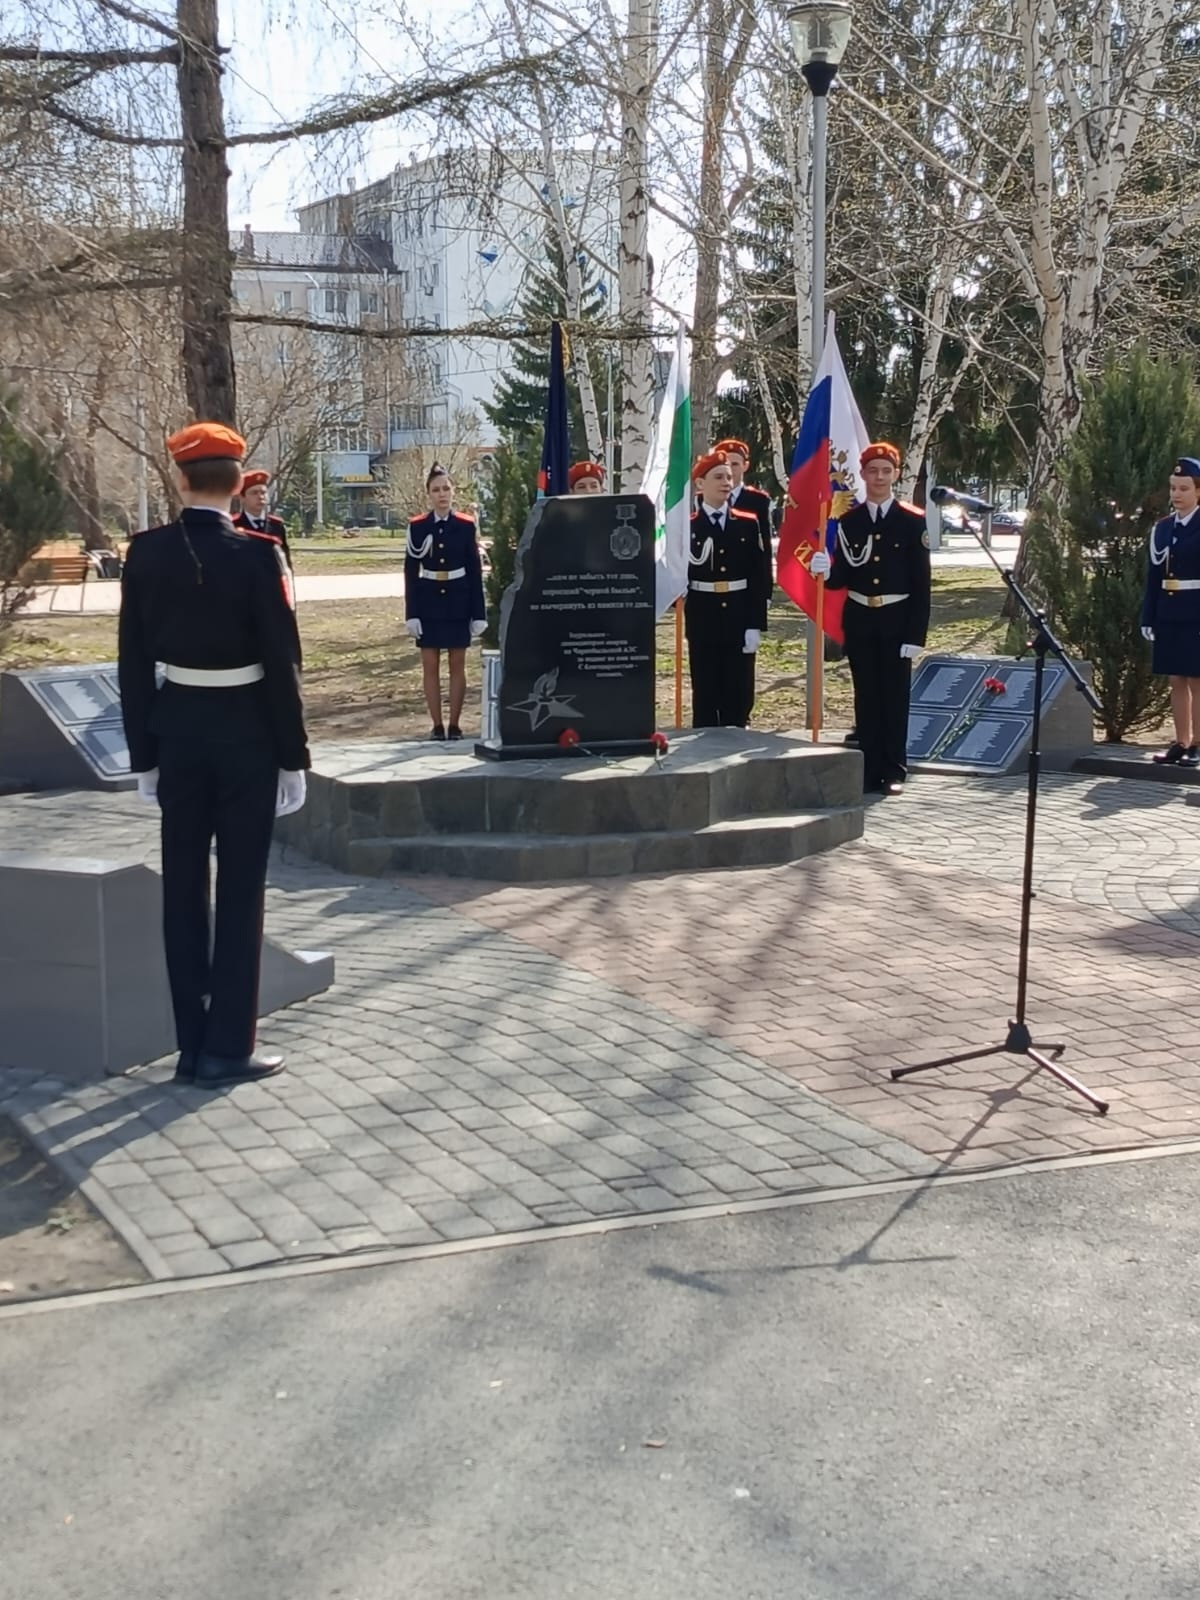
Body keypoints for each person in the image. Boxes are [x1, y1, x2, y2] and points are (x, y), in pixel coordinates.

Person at [118, 422, 309, 1089]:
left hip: (178, 733)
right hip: (248, 736)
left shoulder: (145, 554)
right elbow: (283, 664)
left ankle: (190, 1044)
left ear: (179, 480)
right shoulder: (261, 556)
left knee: (183, 890)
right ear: (238, 482)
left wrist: (145, 756)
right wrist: (294, 757)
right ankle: (230, 1045)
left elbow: (134, 664)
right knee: (240, 889)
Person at [811, 441, 930, 796]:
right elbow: (844, 577)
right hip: (861, 619)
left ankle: (893, 769)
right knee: (866, 697)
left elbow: (921, 585)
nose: (879, 477)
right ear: (862, 475)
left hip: (897, 620)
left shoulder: (912, 521)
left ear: (895, 475)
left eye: (886, 471)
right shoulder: (850, 520)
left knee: (894, 699)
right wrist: (825, 571)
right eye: (872, 471)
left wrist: (915, 635)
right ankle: (868, 768)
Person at [686, 449, 768, 727]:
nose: (726, 482)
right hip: (703, 615)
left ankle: (737, 743)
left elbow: (757, 576)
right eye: (718, 476)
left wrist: (755, 623)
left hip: (738, 613)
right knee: (706, 690)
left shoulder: (746, 523)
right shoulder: (688, 528)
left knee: (739, 689)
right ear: (700, 484)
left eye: (729, 477)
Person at [405, 463, 486, 740]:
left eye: (446, 488)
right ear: (428, 494)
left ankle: (455, 724)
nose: (442, 494)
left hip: (458, 599)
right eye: (436, 489)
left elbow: (475, 570)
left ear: (453, 492)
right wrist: (411, 613)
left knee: (456, 664)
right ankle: (437, 725)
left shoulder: (465, 525)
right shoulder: (417, 527)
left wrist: (479, 613)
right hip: (428, 600)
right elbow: (410, 572)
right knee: (430, 665)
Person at [1142, 455, 1200, 767]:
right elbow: (1154, 577)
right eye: (1173, 488)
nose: (1176, 494)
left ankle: (1198, 745)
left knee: (1197, 680)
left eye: (1184, 488)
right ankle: (1181, 741)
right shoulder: (1163, 529)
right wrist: (1148, 616)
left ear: (1198, 491)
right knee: (1176, 680)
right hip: (1169, 612)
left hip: (1196, 612)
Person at [713, 437, 773, 609]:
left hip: (746, 588)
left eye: (735, 464)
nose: (730, 470)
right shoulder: (702, 499)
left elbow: (765, 549)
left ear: (746, 466)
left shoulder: (758, 501)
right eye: (725, 464)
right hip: (710, 589)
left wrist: (765, 592)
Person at [234, 469, 293, 569]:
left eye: (263, 492)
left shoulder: (276, 525)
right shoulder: (233, 525)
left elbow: (285, 563)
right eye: (254, 493)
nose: (260, 497)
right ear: (242, 497)